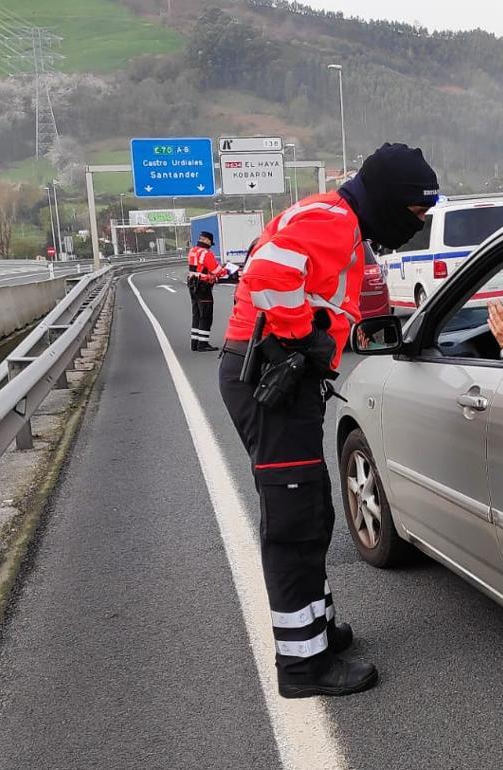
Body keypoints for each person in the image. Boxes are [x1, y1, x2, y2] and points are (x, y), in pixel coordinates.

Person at [218, 143, 439, 698]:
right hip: (272, 379)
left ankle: (317, 631)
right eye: (416, 214)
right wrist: (303, 335)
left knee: (313, 510)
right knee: (294, 524)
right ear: (389, 198)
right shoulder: (333, 219)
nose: (417, 226)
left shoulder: (331, 218)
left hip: (281, 378)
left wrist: (320, 336)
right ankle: (302, 668)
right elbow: (267, 272)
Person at [187, 231, 225, 352]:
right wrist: (225, 271)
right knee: (206, 315)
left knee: (197, 314)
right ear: (207, 241)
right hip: (203, 286)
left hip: (192, 285)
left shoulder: (193, 251)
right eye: (210, 242)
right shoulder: (206, 253)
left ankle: (194, 343)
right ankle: (203, 344)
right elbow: (216, 270)